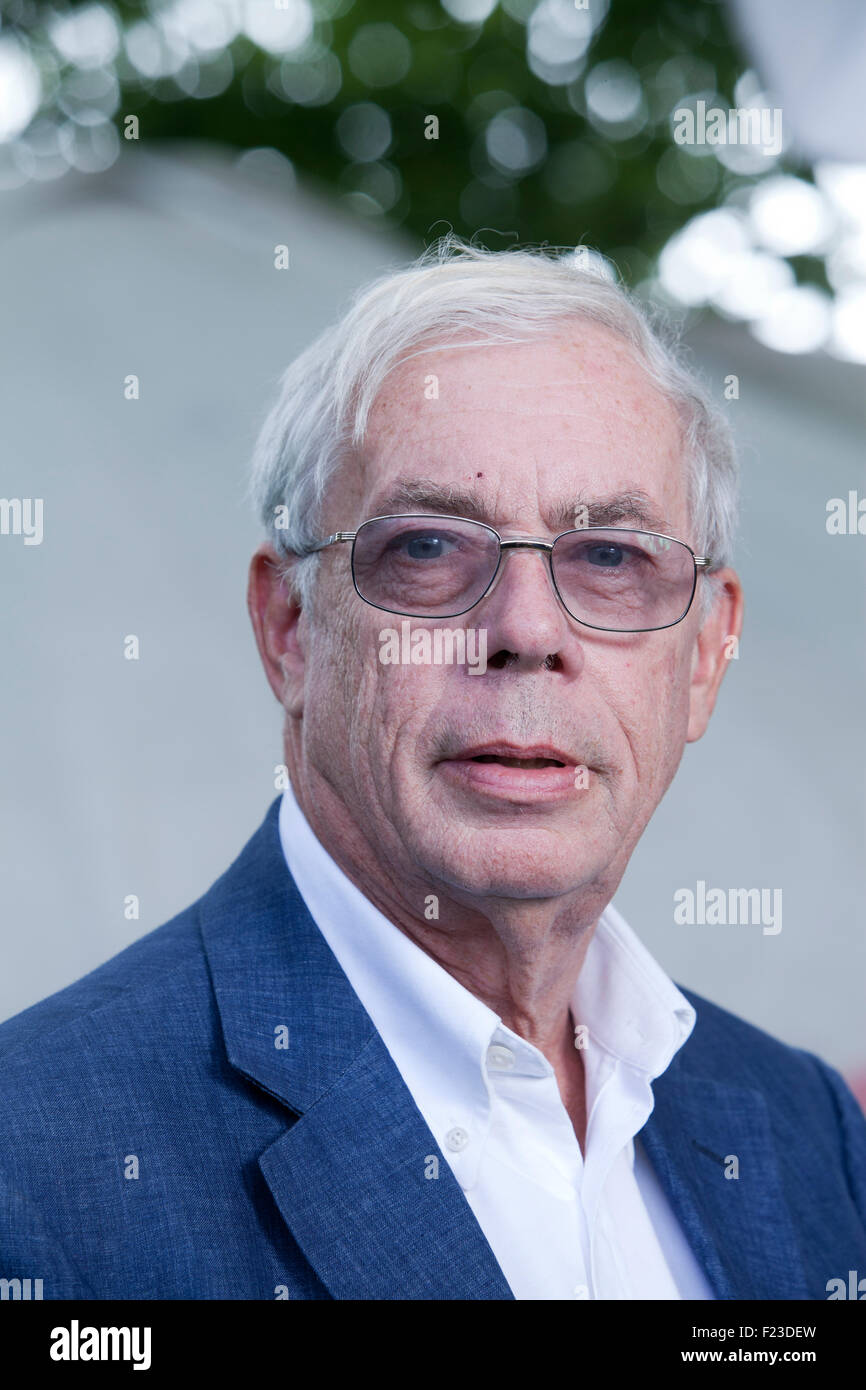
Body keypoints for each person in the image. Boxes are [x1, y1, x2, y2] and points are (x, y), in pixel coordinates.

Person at [1, 239, 864, 1300]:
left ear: (701, 656)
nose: (526, 630)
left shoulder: (799, 1127)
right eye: (427, 547)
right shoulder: (34, 1161)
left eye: (609, 557)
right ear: (289, 630)